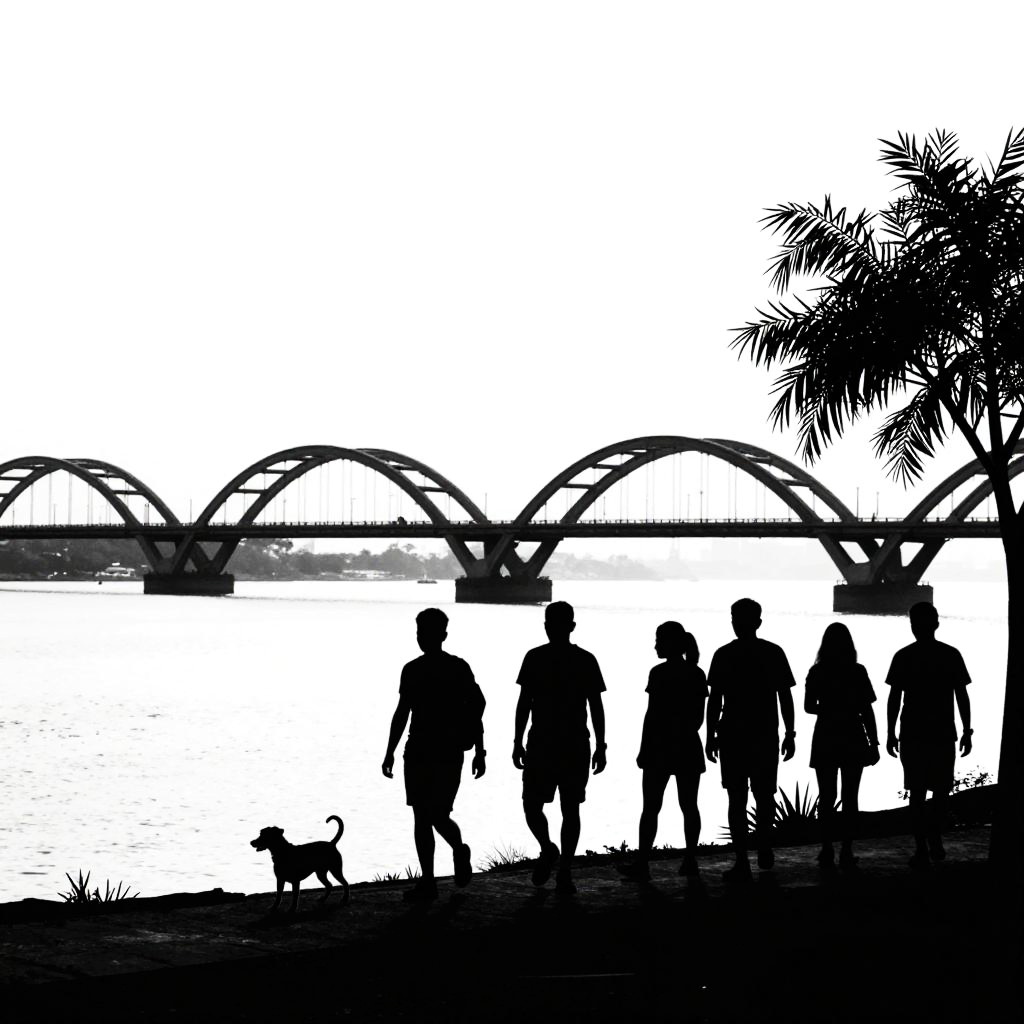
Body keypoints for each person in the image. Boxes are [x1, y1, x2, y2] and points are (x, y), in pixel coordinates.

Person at [382, 608, 486, 901]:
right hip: (423, 750)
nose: (421, 638)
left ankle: (457, 851)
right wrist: (390, 751)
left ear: (442, 635)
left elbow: (476, 706)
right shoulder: (422, 669)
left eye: (425, 633)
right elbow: (403, 712)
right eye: (419, 633)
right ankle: (428, 880)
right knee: (423, 816)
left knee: (435, 815)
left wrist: (480, 750)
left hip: (440, 750)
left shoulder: (446, 668)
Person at [512, 601, 607, 895]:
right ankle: (556, 858)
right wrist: (600, 744)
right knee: (557, 807)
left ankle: (558, 861)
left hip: (551, 742)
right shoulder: (582, 659)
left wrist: (517, 740)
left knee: (546, 805)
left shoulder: (538, 658)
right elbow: (595, 706)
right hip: (567, 742)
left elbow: (525, 702)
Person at [705, 598, 796, 882]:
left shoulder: (723, 654)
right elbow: (785, 696)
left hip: (733, 734)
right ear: (758, 622)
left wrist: (709, 735)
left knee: (737, 798)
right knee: (764, 795)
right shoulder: (773, 652)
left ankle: (742, 859)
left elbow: (715, 700)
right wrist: (790, 733)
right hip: (764, 733)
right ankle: (763, 846)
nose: (736, 623)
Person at [885, 601, 972, 868]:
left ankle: (922, 845)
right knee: (942, 791)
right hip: (943, 732)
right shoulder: (951, 654)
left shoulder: (903, 656)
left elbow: (894, 698)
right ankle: (934, 836)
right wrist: (967, 730)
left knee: (917, 792)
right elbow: (961, 695)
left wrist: (890, 732)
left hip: (912, 732)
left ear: (913, 626)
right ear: (936, 624)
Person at [620, 621, 707, 881]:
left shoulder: (658, 673)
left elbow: (652, 714)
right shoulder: (696, 673)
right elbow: (698, 718)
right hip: (688, 746)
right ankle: (690, 859)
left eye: (659, 640)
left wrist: (644, 748)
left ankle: (643, 864)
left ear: (671, 643)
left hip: (659, 747)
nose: (655, 645)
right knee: (689, 805)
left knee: (651, 808)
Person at [804, 622, 879, 869]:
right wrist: (874, 742)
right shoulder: (857, 671)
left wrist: (828, 708)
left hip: (825, 734)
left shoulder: (816, 672)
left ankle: (826, 848)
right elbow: (867, 710)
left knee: (826, 796)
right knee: (850, 796)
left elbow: (808, 707)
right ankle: (847, 849)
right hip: (853, 734)